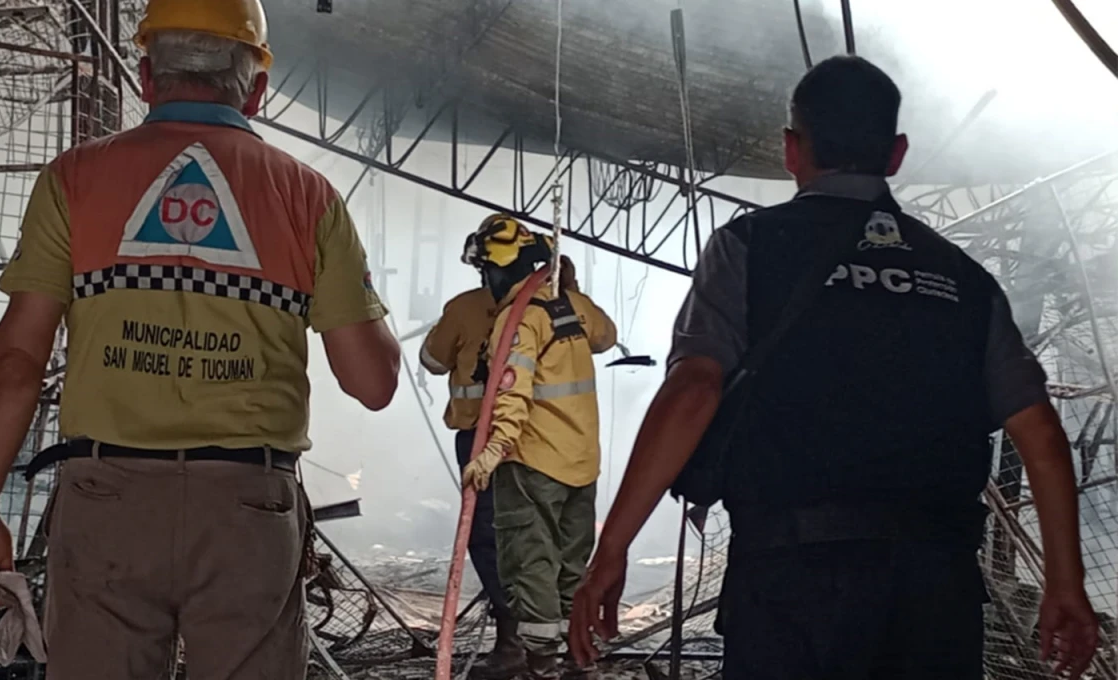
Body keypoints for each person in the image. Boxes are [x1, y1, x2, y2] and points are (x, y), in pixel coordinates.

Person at [569, 55, 1099, 680]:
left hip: (791, 588)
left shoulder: (747, 248)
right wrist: (1066, 583)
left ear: (792, 149)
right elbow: (1039, 433)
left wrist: (611, 550)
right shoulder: (964, 277)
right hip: (936, 591)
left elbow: (693, 391)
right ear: (897, 153)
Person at [0, 0, 400, 676]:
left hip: (107, 502)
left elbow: (17, 363)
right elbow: (373, 383)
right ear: (255, 87)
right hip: (248, 507)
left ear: (144, 75)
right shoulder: (310, 197)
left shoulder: (73, 179)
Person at [460, 214, 617, 680]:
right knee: (571, 566)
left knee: (530, 565)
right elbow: (606, 336)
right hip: (581, 464)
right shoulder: (569, 308)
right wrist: (571, 289)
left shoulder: (518, 319)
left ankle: (542, 666)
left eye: (485, 271)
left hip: (531, 465)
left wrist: (490, 452)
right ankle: (575, 661)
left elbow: (511, 392)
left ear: (498, 270)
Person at [419, 223, 523, 677]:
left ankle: (514, 640)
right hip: (538, 442)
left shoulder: (463, 309)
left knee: (486, 536)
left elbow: (432, 360)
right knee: (536, 533)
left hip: (481, 439)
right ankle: (545, 639)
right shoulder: (549, 304)